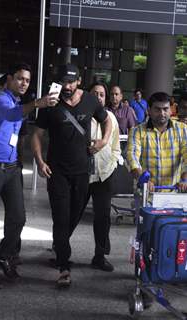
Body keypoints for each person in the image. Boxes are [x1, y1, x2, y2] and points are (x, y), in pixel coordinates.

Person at [0, 63, 58, 289]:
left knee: (18, 218)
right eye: (20, 79)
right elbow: (12, 115)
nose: (24, 83)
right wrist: (37, 103)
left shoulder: (17, 103)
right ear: (10, 79)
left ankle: (3, 254)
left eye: (27, 80)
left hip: (11, 169)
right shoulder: (0, 100)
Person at [31, 63, 112, 287]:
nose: (66, 86)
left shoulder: (90, 100)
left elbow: (106, 120)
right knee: (60, 217)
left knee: (73, 215)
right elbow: (36, 135)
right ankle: (64, 266)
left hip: (82, 171)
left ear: (78, 81)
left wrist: (103, 141)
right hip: (57, 171)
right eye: (63, 82)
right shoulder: (50, 103)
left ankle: (60, 246)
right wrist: (39, 160)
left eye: (71, 82)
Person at [88, 81, 121, 271]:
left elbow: (116, 145)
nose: (98, 97)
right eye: (95, 93)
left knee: (103, 217)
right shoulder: (82, 115)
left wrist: (114, 162)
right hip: (83, 174)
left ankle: (100, 256)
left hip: (104, 174)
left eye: (101, 94)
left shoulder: (111, 118)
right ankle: (60, 250)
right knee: (71, 214)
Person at [127, 91, 187, 192]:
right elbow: (132, 158)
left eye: (165, 109)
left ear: (171, 110)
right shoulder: (137, 131)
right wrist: (143, 179)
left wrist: (185, 179)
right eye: (157, 109)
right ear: (149, 110)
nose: (162, 113)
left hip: (174, 192)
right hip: (146, 193)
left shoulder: (183, 129)